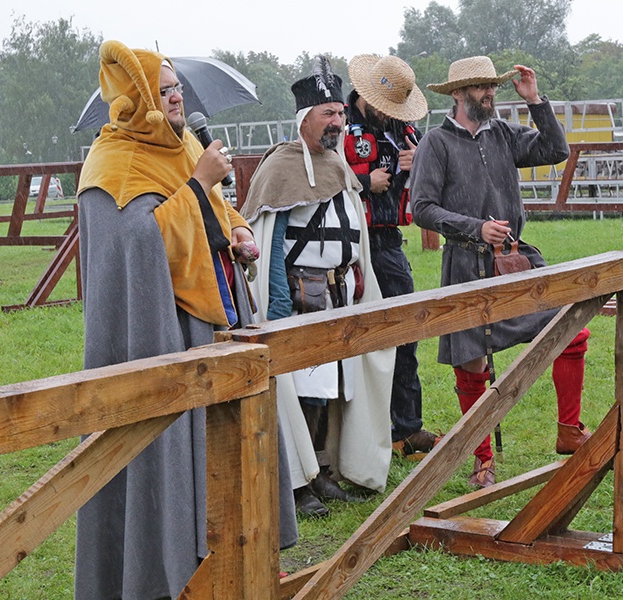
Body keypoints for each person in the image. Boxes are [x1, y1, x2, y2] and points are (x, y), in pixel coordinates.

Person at [74, 40, 298, 599]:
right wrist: (198, 183)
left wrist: (240, 230)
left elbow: (220, 213)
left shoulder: (183, 145)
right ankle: (168, 573)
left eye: (177, 90)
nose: (177, 99)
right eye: (166, 91)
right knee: (171, 451)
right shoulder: (113, 166)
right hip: (162, 336)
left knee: (231, 438)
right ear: (139, 99)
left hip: (216, 319)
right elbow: (139, 244)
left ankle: (240, 553)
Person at [411, 56, 592, 489]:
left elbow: (555, 150)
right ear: (457, 94)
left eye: (491, 86)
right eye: (479, 88)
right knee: (471, 364)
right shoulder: (435, 143)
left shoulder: (505, 133)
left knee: (571, 328)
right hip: (465, 265)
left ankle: (570, 431)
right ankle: (482, 460)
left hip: (516, 258)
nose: (489, 93)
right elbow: (421, 208)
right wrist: (476, 228)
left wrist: (535, 101)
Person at [239, 56, 395, 518]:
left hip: (340, 293)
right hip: (300, 295)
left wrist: (360, 279)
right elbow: (270, 244)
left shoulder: (339, 165)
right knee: (305, 388)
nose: (338, 122)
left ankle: (323, 470)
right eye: (328, 114)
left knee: (336, 386)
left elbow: (354, 234)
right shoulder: (280, 168)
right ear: (304, 118)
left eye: (340, 114)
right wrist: (279, 307)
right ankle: (299, 482)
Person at [344, 54, 440, 460]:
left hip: (389, 241)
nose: (392, 113)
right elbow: (320, 173)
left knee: (406, 329)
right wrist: (365, 181)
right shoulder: (338, 126)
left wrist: (417, 166)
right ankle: (357, 433)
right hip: (351, 241)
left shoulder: (406, 131)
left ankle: (406, 427)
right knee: (353, 337)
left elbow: (430, 177)